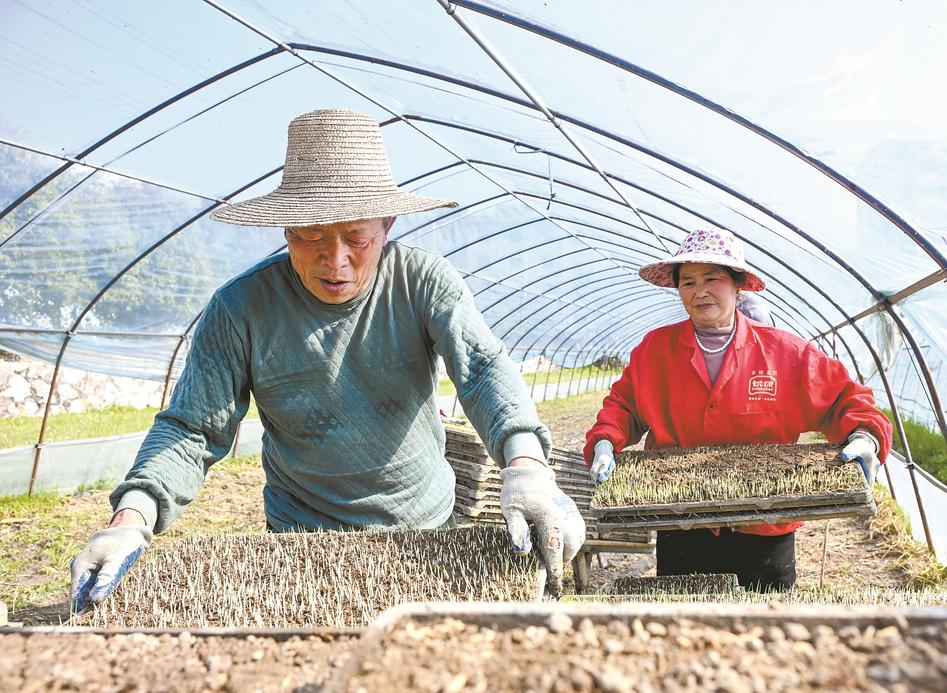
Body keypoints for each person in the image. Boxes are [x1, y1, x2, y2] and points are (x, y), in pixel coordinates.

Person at [70, 108, 585, 611]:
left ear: (388, 224)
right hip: (301, 541)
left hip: (424, 531)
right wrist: (130, 519)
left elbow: (483, 370)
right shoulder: (242, 309)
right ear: (286, 229)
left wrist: (527, 466)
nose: (335, 261)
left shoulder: (422, 283)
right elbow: (192, 429)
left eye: (357, 238)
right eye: (312, 236)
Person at [583, 228, 891, 591]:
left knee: (765, 615)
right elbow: (624, 406)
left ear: (737, 285)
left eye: (712, 278)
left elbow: (846, 399)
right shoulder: (656, 350)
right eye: (688, 282)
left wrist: (865, 437)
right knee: (686, 615)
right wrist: (605, 442)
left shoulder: (785, 352)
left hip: (767, 524)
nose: (699, 291)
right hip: (681, 520)